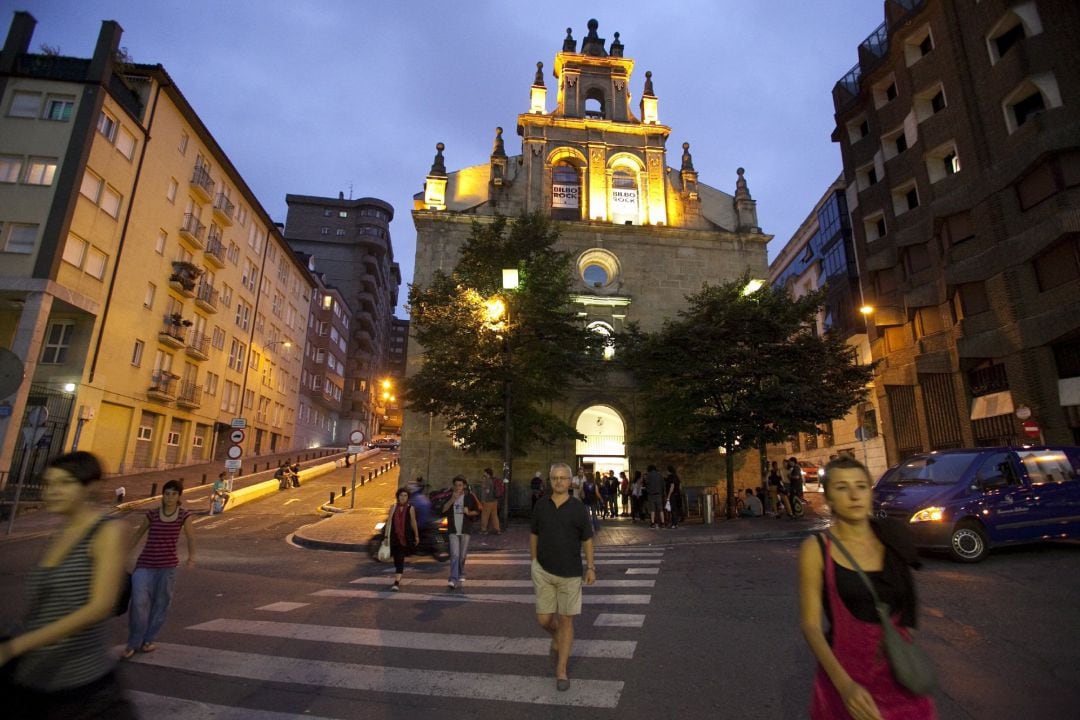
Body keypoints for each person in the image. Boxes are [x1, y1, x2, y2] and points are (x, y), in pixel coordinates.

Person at [0, 452, 135, 719]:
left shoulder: (108, 531)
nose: (52, 491)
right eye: (49, 483)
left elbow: (99, 607)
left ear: (90, 487)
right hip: (35, 678)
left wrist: (14, 647)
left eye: (64, 483)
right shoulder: (60, 532)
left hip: (84, 688)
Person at [799, 457, 935, 720]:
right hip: (847, 683)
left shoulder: (892, 537)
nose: (853, 495)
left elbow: (909, 604)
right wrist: (845, 686)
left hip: (899, 678)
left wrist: (903, 650)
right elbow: (811, 626)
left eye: (861, 486)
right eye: (842, 488)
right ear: (828, 498)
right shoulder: (816, 549)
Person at [530, 462, 595, 692]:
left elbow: (587, 539)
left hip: (570, 573)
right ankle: (556, 634)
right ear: (550, 480)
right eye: (555, 478)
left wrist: (591, 567)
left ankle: (562, 670)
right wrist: (534, 561)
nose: (559, 481)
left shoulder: (578, 508)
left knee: (567, 620)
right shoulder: (541, 505)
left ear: (571, 481)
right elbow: (534, 534)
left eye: (563, 478)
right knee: (544, 620)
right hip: (544, 571)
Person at [123, 479, 196, 659]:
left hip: (167, 566)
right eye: (167, 493)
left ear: (179, 496)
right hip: (145, 564)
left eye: (173, 494)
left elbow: (191, 538)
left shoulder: (183, 516)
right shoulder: (152, 514)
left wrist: (192, 557)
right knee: (138, 604)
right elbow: (138, 534)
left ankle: (148, 640)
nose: (169, 497)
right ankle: (133, 642)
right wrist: (122, 554)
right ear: (162, 495)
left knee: (160, 604)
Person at [441, 475, 480, 590]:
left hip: (465, 529)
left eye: (460, 485)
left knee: (462, 556)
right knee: (455, 555)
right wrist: (452, 500)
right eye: (456, 485)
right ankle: (453, 578)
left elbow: (478, 511)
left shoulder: (469, 497)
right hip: (453, 530)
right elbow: (443, 510)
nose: (458, 487)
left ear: (464, 486)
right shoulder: (449, 496)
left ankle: (461, 572)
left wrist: (469, 513)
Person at [385, 488, 420, 591]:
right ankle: (398, 572)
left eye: (405, 496)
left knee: (400, 558)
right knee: (396, 559)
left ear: (408, 498)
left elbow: (413, 522)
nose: (403, 497)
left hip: (404, 537)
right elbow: (389, 522)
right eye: (401, 495)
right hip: (394, 537)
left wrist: (417, 536)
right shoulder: (393, 507)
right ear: (398, 497)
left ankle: (396, 582)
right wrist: (386, 537)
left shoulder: (410, 508)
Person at [478, 468, 502, 535]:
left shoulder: (487, 481)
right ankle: (497, 529)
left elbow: (487, 491)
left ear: (487, 473)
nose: (483, 473)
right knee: (494, 516)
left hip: (488, 501)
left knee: (485, 516)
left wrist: (483, 500)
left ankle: (484, 530)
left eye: (484, 472)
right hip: (494, 501)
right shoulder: (493, 480)